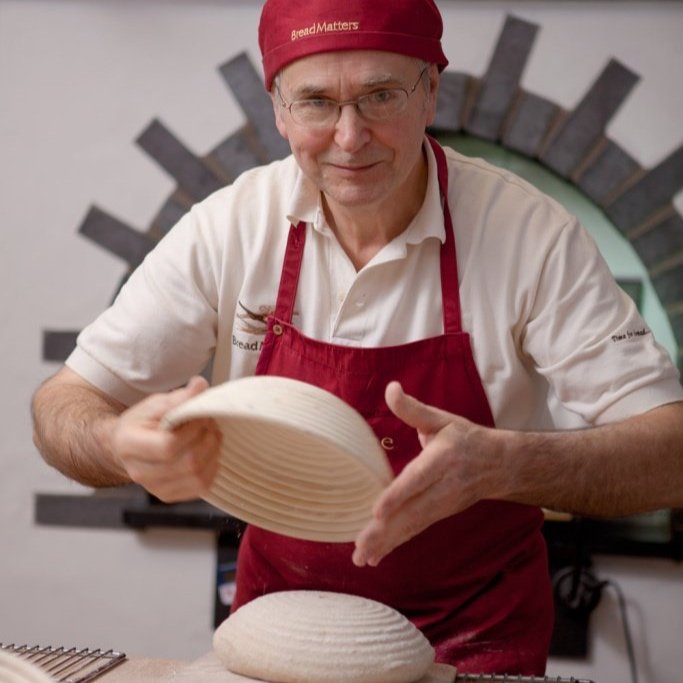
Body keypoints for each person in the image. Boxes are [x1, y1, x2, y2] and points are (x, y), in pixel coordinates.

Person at [32, 0, 683, 675]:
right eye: (316, 102)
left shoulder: (528, 234)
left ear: (430, 90)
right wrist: (117, 444)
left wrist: (504, 465)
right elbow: (62, 404)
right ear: (279, 109)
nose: (349, 137)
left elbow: (670, 452)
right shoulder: (229, 229)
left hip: (475, 640)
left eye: (380, 95)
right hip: (279, 632)